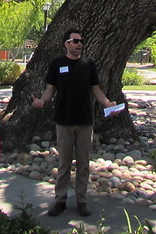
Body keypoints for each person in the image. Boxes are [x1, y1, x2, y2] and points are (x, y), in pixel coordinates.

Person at [31, 29, 116, 217]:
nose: (80, 44)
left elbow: (96, 90)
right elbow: (50, 89)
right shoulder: (57, 64)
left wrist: (107, 103)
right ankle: (60, 200)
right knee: (64, 163)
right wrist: (42, 101)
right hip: (64, 121)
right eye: (76, 41)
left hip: (85, 121)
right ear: (66, 44)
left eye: (81, 41)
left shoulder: (88, 64)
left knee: (83, 164)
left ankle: (81, 200)